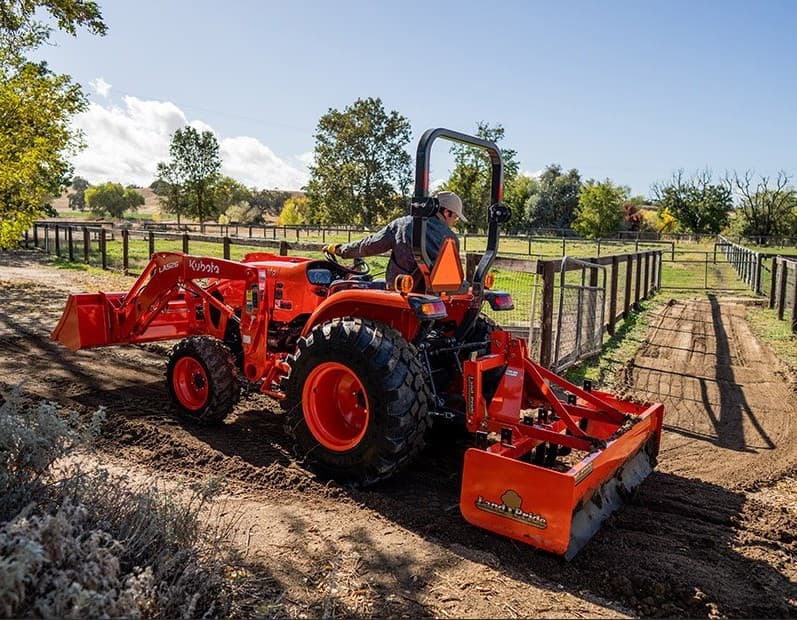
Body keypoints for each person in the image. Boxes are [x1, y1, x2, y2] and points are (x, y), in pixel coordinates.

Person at [323, 191, 466, 287]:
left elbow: (370, 245)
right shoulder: (452, 240)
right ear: (446, 212)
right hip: (432, 295)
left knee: (344, 287)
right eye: (456, 217)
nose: (455, 222)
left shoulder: (402, 225)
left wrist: (341, 250)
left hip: (399, 290)